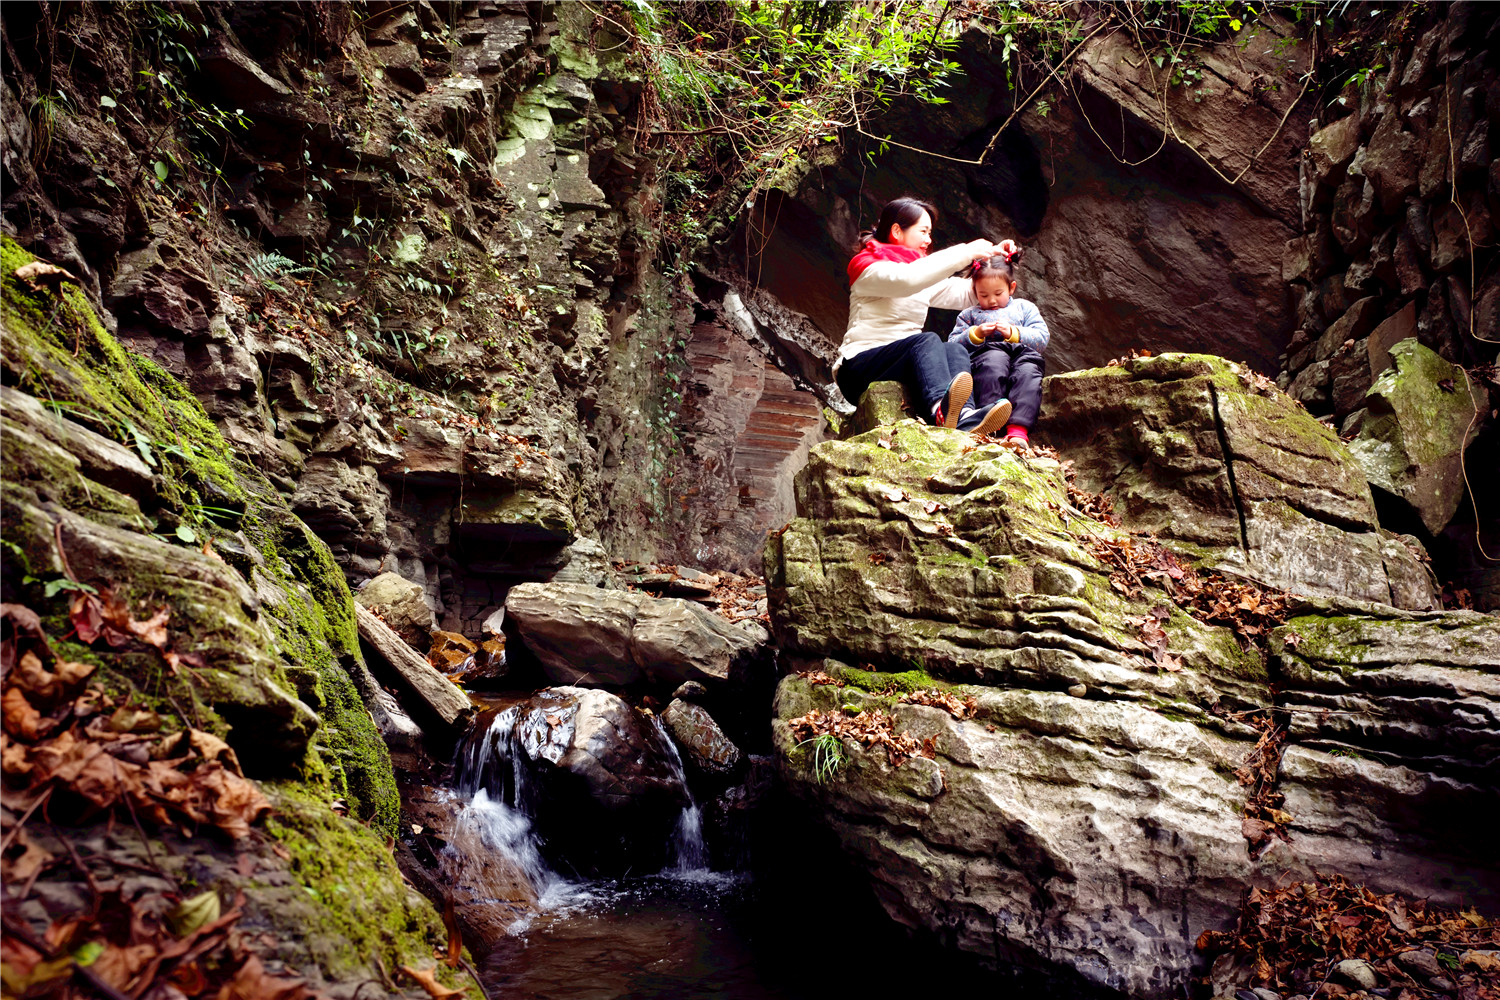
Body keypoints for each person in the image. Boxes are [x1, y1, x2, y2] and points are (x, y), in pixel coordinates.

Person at [837, 197, 1015, 434]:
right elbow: (907, 280)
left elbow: (969, 295)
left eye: (930, 232)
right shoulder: (867, 267)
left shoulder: (920, 271)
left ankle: (964, 417)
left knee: (955, 349)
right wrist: (966, 252)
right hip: (857, 370)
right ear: (897, 231)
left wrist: (994, 262)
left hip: (900, 362)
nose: (929, 240)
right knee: (927, 340)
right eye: (923, 231)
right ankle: (939, 408)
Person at [948, 251, 1049, 444]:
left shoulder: (1024, 308)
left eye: (998, 293)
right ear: (974, 291)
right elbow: (953, 345)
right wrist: (975, 334)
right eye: (983, 295)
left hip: (1024, 354)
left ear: (1011, 288)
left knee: (1028, 374)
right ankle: (988, 422)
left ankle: (1018, 431)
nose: (992, 300)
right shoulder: (969, 315)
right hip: (988, 353)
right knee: (993, 364)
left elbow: (1042, 338)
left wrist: (1014, 332)